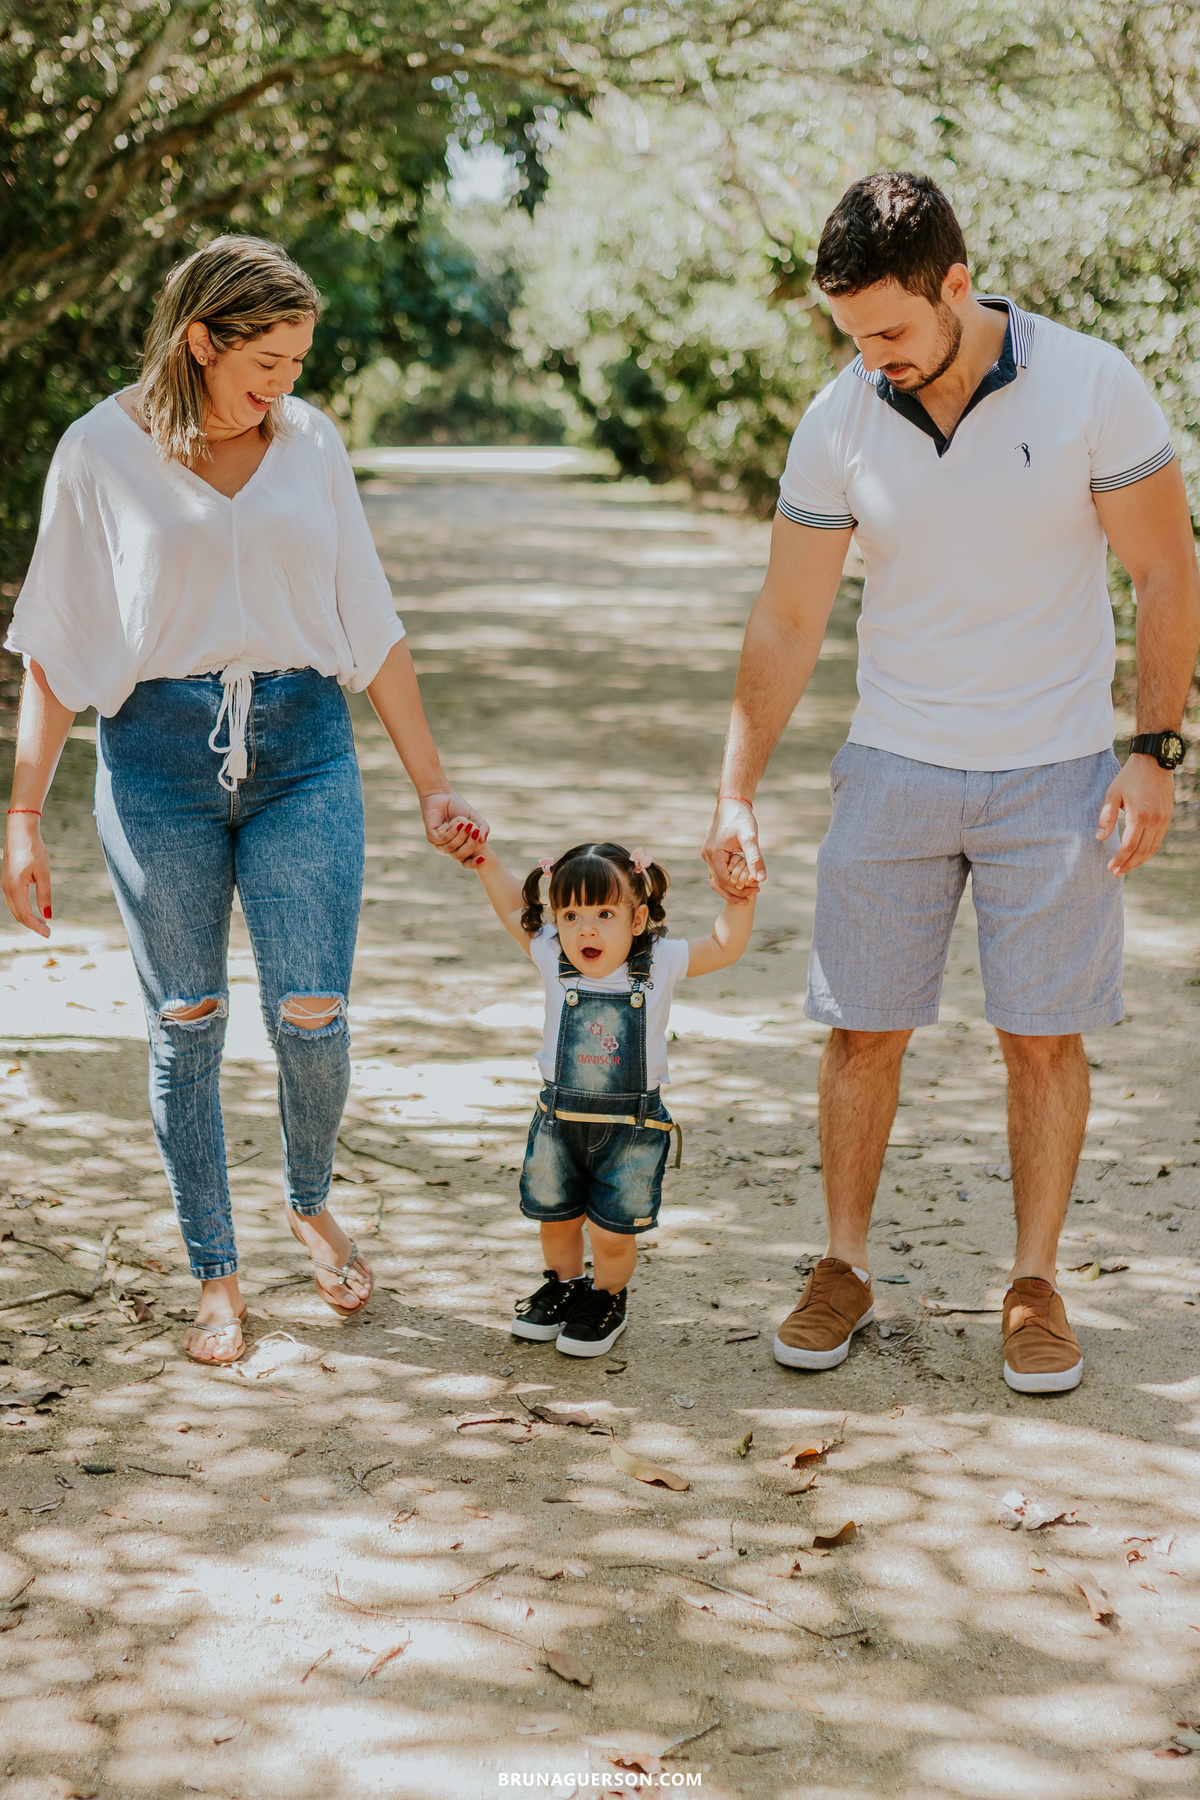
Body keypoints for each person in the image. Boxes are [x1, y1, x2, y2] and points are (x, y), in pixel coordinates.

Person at [702, 171, 1200, 1394]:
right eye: (849, 334)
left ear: (958, 288)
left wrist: (1155, 750)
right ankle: (843, 1266)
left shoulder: (1089, 383)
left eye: (889, 330)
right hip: (896, 764)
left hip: (1057, 771)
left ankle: (1033, 1284)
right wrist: (735, 788)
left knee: (1042, 1039)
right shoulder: (842, 417)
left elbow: (1168, 568)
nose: (871, 356)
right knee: (860, 1029)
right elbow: (786, 615)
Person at [1, 235, 488, 1366]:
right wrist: (23, 817)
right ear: (200, 342)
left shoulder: (310, 444)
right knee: (186, 1026)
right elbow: (56, 647)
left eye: (300, 360)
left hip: (303, 748)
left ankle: (308, 1200)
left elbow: (370, 621)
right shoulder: (99, 452)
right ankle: (214, 1272)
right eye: (266, 360)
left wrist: (433, 785)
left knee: (312, 1013)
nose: (287, 384)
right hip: (155, 762)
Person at [460, 837, 755, 1355]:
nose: (585, 929)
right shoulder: (552, 954)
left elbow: (724, 946)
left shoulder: (661, 961)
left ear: (637, 919)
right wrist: (483, 858)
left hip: (631, 1129)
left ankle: (607, 1297)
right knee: (556, 1221)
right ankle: (565, 1286)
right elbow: (511, 905)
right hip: (559, 1121)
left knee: (612, 1232)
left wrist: (740, 899)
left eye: (603, 913)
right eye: (570, 915)